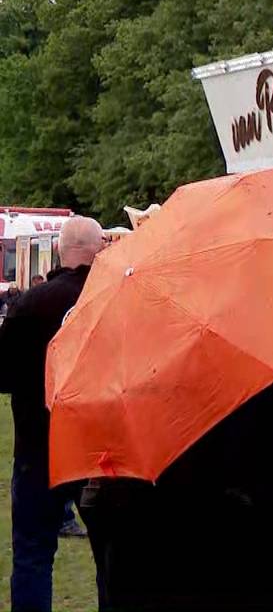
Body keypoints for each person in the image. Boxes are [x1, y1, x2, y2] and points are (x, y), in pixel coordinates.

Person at [81, 326, 273, 612]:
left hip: (151, 553)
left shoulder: (132, 359)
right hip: (251, 556)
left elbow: (101, 490)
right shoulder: (256, 356)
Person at [0, 216, 104, 612]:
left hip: (38, 447)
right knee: (109, 555)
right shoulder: (110, 297)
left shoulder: (30, 304)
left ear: (62, 250)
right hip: (97, 449)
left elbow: (4, 372)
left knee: (32, 554)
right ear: (98, 250)